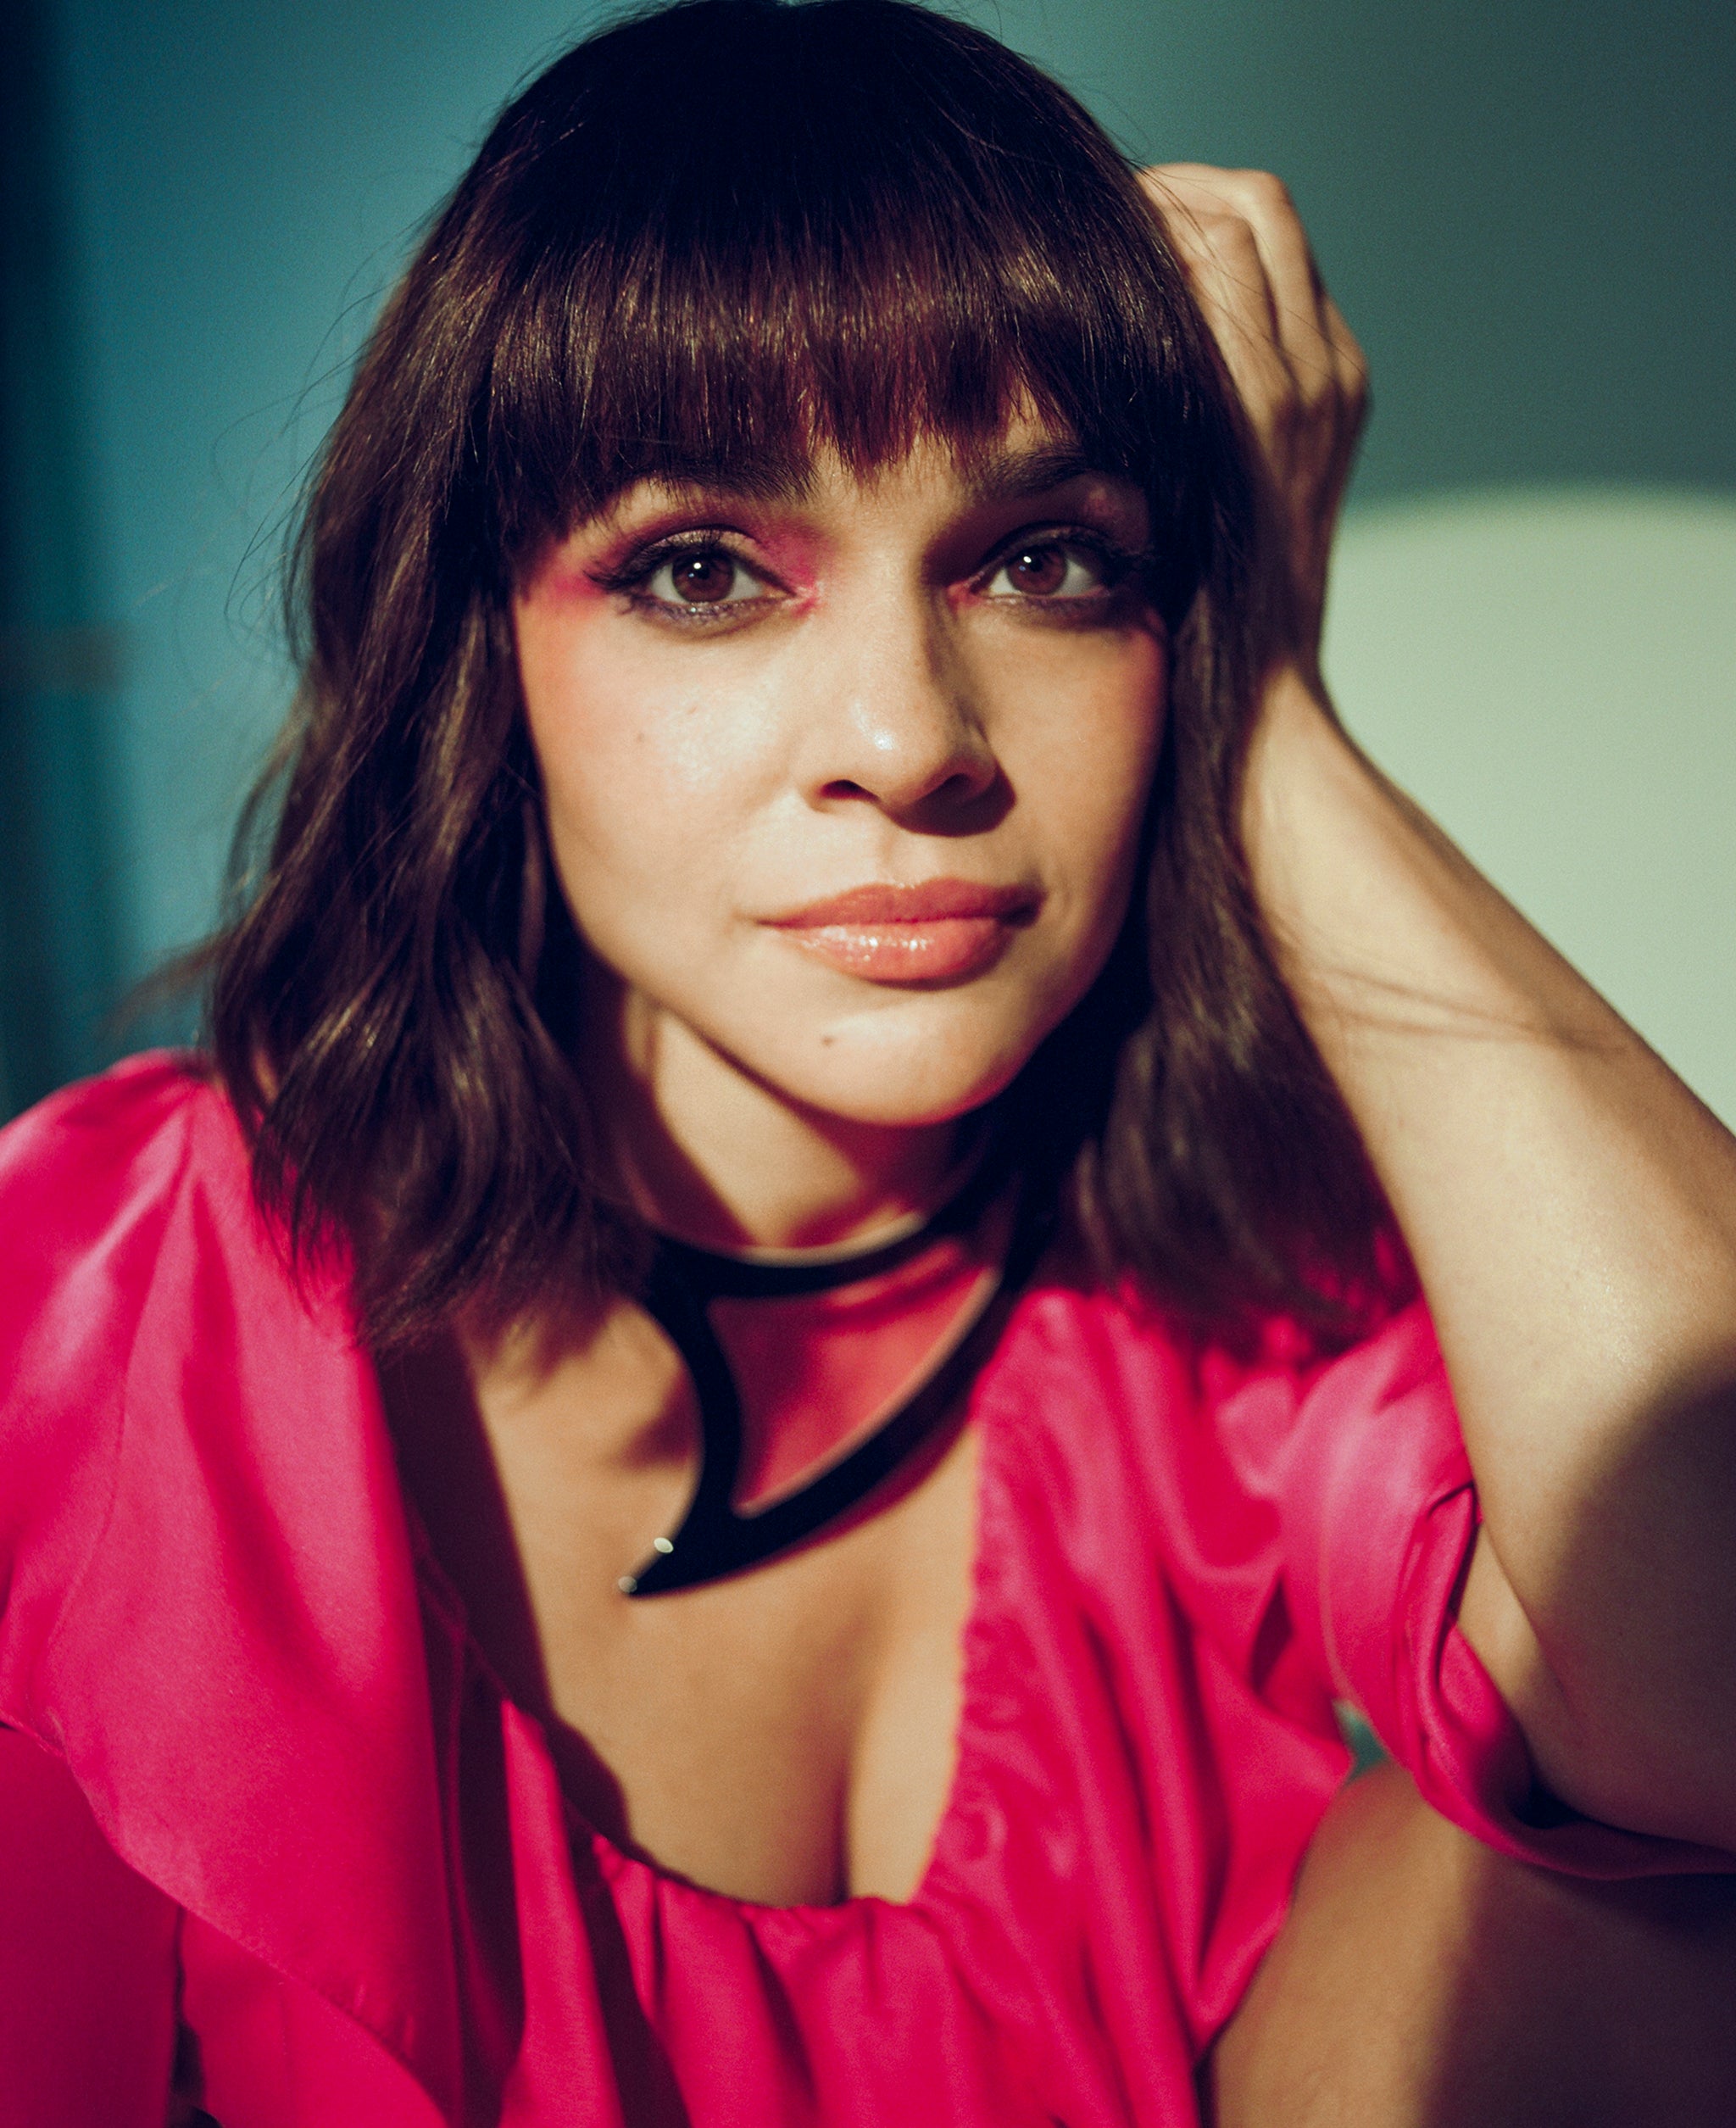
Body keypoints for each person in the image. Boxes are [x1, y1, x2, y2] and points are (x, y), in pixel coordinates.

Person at [2, 1, 1733, 2121]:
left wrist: (1270, 697)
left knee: (1644, 1909)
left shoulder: (1255, 1304)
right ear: (485, 649)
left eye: (1047, 561)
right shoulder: (89, 1311)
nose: (910, 739)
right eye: (704, 571)